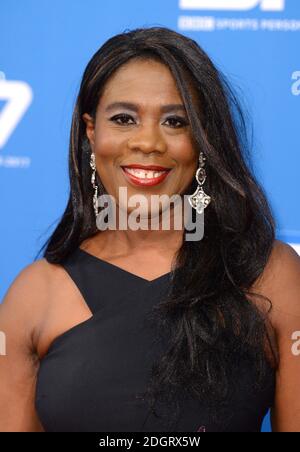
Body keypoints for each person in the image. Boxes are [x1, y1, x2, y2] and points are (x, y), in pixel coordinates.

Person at [0, 26, 299, 432]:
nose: (148, 142)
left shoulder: (269, 274)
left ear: (202, 140)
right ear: (92, 132)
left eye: (175, 122)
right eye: (124, 119)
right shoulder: (33, 296)